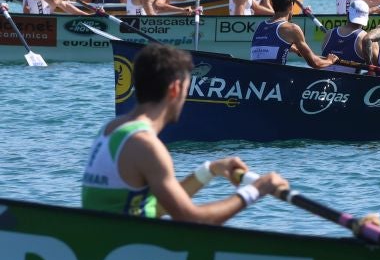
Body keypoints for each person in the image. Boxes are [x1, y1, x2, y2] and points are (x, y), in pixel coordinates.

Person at [81, 44, 289, 222]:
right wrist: (257, 190)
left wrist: (210, 170)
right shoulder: (146, 146)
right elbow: (192, 220)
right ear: (175, 89)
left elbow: (158, 208)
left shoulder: (112, 129)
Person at [250, 0, 338, 68]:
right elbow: (315, 63)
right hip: (274, 78)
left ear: (272, 4)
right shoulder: (292, 29)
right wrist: (330, 60)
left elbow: (272, 44)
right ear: (291, 5)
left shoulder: (260, 26)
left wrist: (294, 49)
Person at [322, 0, 369, 73]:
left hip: (323, 78)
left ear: (347, 14)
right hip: (348, 82)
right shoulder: (364, 37)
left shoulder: (329, 33)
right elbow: (373, 64)